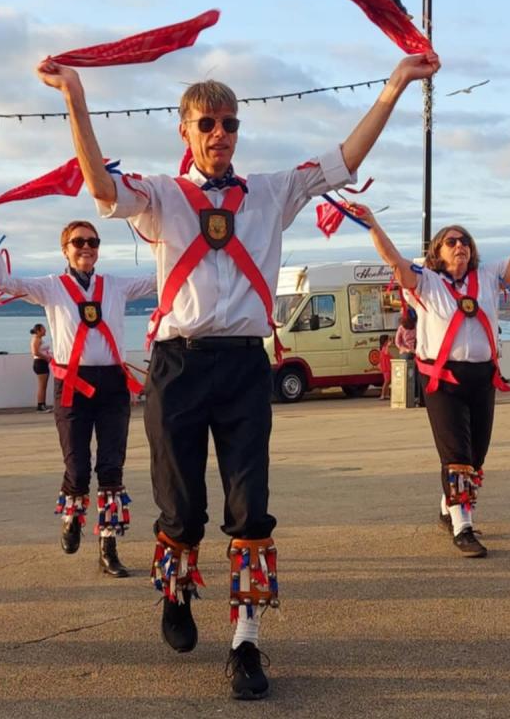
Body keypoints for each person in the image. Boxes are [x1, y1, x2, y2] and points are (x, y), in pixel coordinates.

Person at [36, 49, 440, 700]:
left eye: (229, 123)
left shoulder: (272, 193)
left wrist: (393, 86)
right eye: (208, 123)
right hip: (178, 367)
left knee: (251, 509)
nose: (220, 133)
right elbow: (101, 188)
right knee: (183, 509)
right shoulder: (161, 197)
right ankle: (175, 591)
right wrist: (75, 99)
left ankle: (246, 642)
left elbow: (345, 161)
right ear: (186, 132)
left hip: (246, 365)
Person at [351, 205, 510, 558]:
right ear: (437, 251)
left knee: (477, 456)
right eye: (451, 241)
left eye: (465, 241)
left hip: (483, 378)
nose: (460, 246)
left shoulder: (488, 276)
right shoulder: (426, 281)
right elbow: (393, 258)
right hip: (442, 381)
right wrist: (372, 223)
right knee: (456, 456)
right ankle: (462, 527)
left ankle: (447, 506)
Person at [0, 211, 156, 579]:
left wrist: (168, 237)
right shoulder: (51, 286)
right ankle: (72, 517)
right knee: (77, 468)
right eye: (79, 242)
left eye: (93, 242)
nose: (87, 248)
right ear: (65, 250)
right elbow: (4, 282)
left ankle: (108, 547)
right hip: (72, 385)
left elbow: (163, 279)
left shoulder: (117, 285)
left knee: (111, 468)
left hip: (112, 384)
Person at [30, 323, 53, 412]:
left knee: (44, 386)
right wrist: (46, 357)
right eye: (43, 329)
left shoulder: (40, 339)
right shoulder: (36, 339)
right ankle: (40, 406)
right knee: (42, 386)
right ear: (38, 330)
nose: (45, 330)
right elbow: (35, 352)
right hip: (40, 363)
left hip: (43, 363)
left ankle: (43, 404)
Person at [378, 334, 392, 400]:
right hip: (386, 367)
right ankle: (383, 395)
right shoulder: (384, 348)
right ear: (385, 341)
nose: (389, 341)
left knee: (388, 381)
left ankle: (386, 394)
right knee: (387, 381)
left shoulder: (382, 348)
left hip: (387, 367)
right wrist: (388, 346)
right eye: (388, 339)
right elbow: (386, 353)